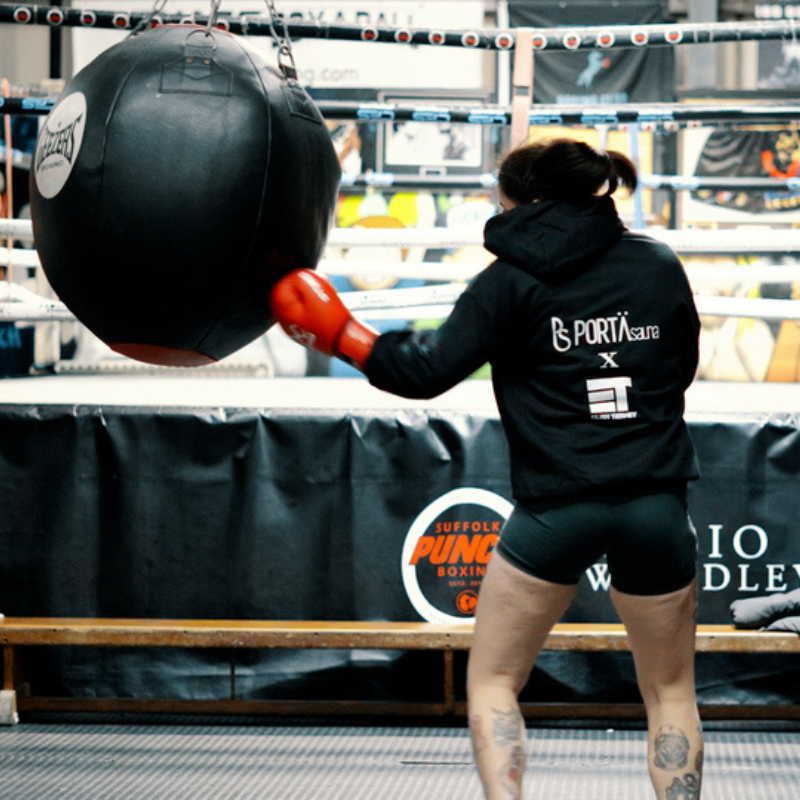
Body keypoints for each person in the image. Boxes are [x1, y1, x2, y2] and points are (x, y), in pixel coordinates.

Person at [270, 137, 703, 799]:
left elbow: (426, 371)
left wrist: (345, 336)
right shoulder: (657, 265)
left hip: (557, 507)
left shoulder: (509, 282)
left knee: (495, 680)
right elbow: (682, 365)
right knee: (671, 690)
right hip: (656, 503)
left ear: (523, 205)